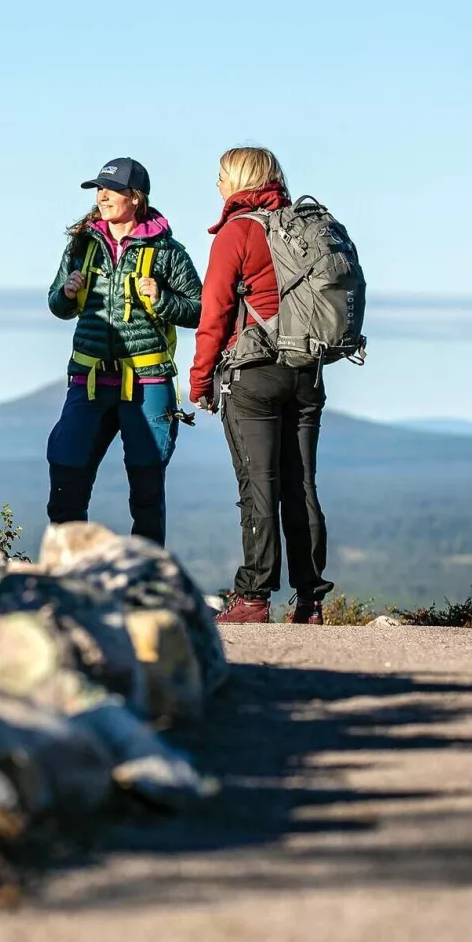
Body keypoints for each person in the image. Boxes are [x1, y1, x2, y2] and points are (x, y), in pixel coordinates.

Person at [192, 147, 334, 624]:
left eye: (220, 176)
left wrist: (200, 382)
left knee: (258, 485)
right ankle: (311, 600)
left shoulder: (238, 232)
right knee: (302, 486)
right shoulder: (303, 227)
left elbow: (213, 313)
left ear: (237, 179)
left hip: (252, 375)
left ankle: (253, 598)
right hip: (307, 371)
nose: (216, 184)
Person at [46, 158, 202, 545]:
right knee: (66, 473)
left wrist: (162, 299)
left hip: (148, 384)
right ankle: (67, 572)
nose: (101, 196)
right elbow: (56, 303)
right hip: (89, 382)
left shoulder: (168, 252)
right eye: (98, 189)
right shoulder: (83, 246)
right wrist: (66, 294)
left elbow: (198, 308)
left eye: (111, 190)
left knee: (146, 489)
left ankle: (145, 580)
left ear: (136, 198)